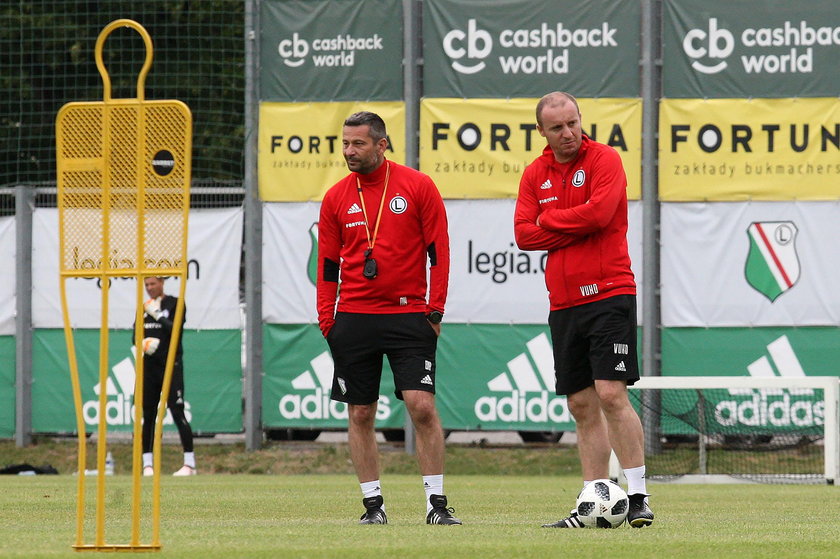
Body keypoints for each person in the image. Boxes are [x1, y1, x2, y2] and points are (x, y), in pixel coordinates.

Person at [513, 92, 654, 528]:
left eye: (573, 122)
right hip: (565, 302)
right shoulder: (535, 173)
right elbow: (522, 235)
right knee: (580, 403)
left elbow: (599, 216)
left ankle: (638, 496)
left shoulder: (605, 160)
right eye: (557, 127)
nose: (568, 132)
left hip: (610, 292)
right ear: (542, 132)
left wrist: (550, 220)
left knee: (612, 393)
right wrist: (562, 223)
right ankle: (592, 504)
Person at [316, 111, 460, 526]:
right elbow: (327, 267)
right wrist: (328, 320)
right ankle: (373, 507)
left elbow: (440, 252)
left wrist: (435, 309)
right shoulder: (336, 197)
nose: (349, 151)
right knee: (360, 413)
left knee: (421, 407)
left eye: (358, 144)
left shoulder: (417, 186)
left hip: (409, 315)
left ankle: (437, 505)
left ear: (381, 144)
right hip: (354, 318)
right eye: (345, 143)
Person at [136, 276, 196, 476]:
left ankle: (189, 463)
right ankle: (147, 464)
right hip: (150, 367)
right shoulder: (144, 307)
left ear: (161, 283)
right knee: (148, 414)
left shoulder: (175, 303)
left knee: (176, 411)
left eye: (153, 284)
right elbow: (134, 335)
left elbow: (176, 330)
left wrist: (159, 316)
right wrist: (143, 344)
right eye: (146, 285)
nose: (150, 288)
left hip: (171, 365)